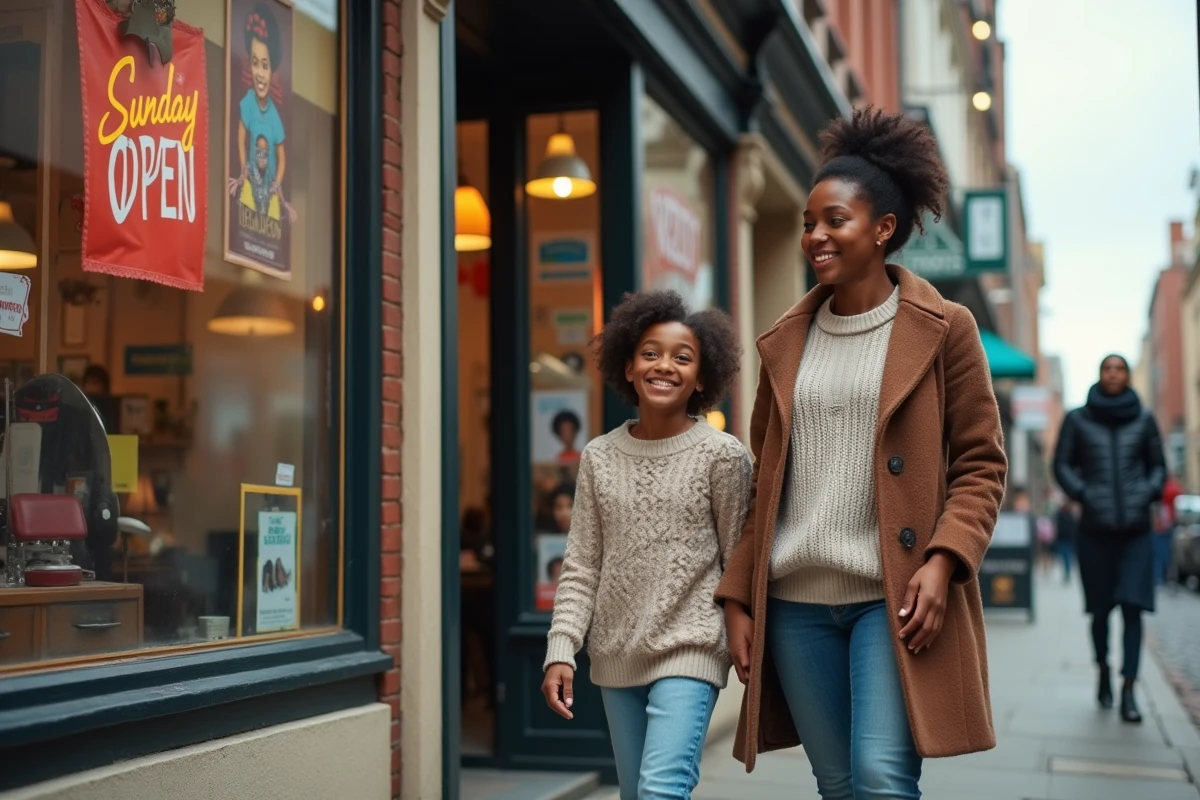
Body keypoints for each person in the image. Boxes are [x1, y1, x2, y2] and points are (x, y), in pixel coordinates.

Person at [717, 107, 1007, 798]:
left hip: (893, 595)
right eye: (809, 222)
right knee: (839, 781)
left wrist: (944, 562)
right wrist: (738, 597)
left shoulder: (946, 329)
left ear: (882, 230)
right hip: (794, 601)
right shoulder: (785, 342)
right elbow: (767, 483)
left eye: (834, 220)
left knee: (880, 774)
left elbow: (981, 463)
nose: (815, 235)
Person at [541, 290, 750, 799]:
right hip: (615, 655)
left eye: (683, 357)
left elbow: (740, 558)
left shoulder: (722, 457)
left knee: (660, 791)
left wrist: (743, 630)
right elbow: (582, 564)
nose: (665, 366)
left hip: (691, 648)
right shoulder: (598, 457)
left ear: (702, 378)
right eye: (651, 353)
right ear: (629, 367)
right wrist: (560, 648)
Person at [1053, 354, 1166, 724]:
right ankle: (1102, 668)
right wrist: (1085, 494)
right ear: (1100, 375)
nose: (1113, 374)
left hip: (1136, 533)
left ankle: (1129, 689)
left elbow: (1158, 468)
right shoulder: (1078, 419)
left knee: (1133, 608)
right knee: (1100, 612)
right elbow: (1062, 465)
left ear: (1128, 376)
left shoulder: (1144, 418)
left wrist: (1144, 494)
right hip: (1095, 533)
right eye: (1107, 369)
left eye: (1119, 369)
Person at [229, 3, 295, 222]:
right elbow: (240, 136)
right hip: (250, 181)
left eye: (264, 66)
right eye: (255, 63)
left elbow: (282, 156)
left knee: (269, 216)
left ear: (273, 71)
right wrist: (243, 168)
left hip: (268, 188)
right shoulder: (248, 102)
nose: (259, 73)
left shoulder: (275, 117)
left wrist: (277, 183)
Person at [1054, 501, 1080, 583]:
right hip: (1066, 539)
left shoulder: (1062, 515)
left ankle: (1067, 572)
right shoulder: (1069, 516)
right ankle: (1067, 571)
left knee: (1065, 556)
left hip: (1064, 539)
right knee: (1066, 556)